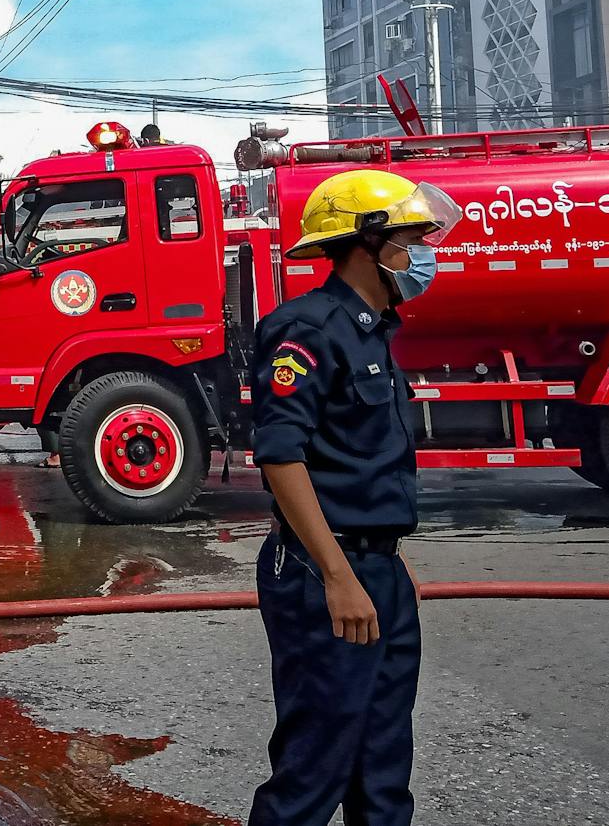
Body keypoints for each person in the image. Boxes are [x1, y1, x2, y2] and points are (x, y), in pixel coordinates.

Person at [246, 169, 459, 826]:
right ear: (366, 241)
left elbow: (364, 462)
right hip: (323, 571)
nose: (423, 252)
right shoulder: (307, 330)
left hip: (375, 569)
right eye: (412, 238)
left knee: (383, 770)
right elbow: (281, 456)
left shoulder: (374, 331)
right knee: (315, 769)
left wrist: (384, 560)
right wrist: (340, 572)